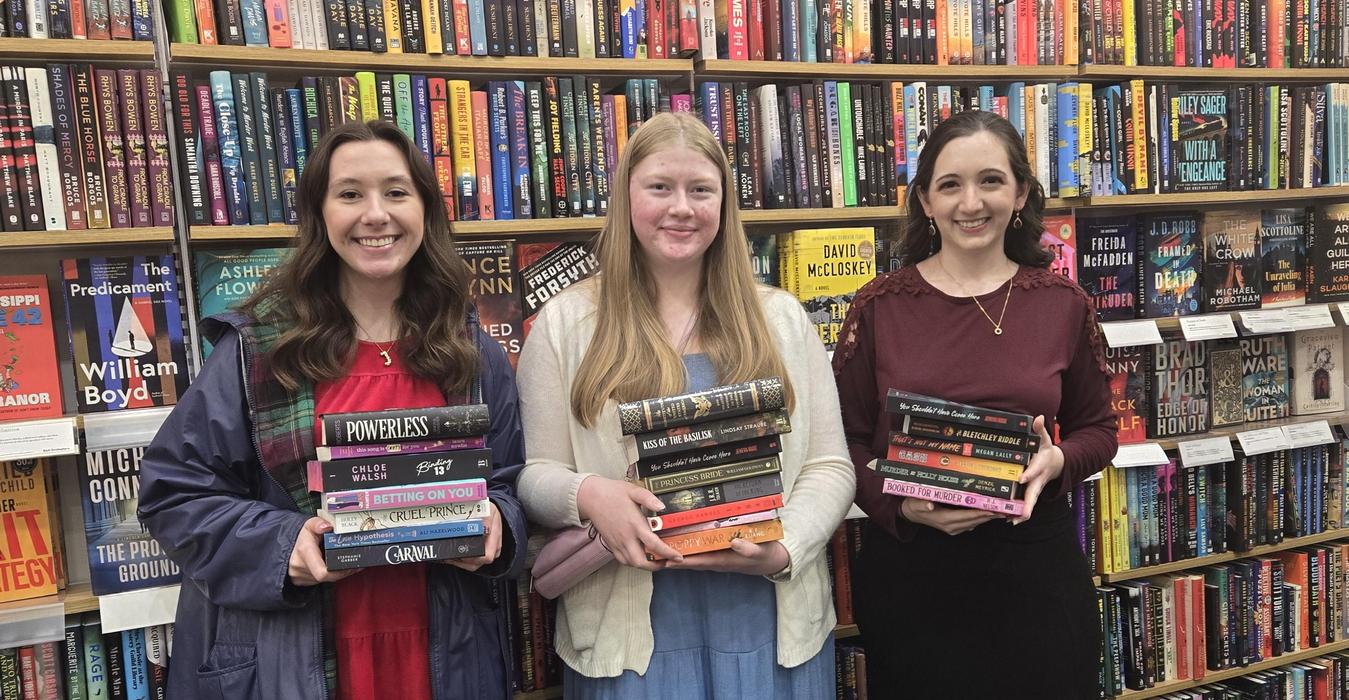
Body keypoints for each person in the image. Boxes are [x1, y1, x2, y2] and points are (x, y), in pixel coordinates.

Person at [137, 120, 527, 700]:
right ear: (320, 216)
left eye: (396, 192)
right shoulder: (257, 349)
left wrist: (499, 525)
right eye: (350, 194)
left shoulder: (472, 351)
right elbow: (173, 493)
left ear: (426, 210)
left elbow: (509, 484)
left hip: (448, 656)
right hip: (291, 663)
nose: (376, 215)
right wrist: (280, 546)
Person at [515, 112, 855, 698]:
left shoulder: (781, 319)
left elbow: (830, 465)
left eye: (701, 190)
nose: (682, 208)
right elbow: (534, 474)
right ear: (626, 198)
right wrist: (588, 496)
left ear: (724, 204)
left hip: (768, 622)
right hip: (629, 636)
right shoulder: (566, 324)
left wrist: (784, 549)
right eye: (659, 188)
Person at [832, 109, 1117, 699]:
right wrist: (900, 508)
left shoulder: (1063, 303)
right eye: (950, 185)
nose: (971, 202)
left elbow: (1099, 429)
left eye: (990, 180)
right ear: (925, 202)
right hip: (916, 580)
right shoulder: (879, 307)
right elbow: (844, 444)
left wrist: (1058, 462)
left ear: (1020, 194)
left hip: (1035, 576)